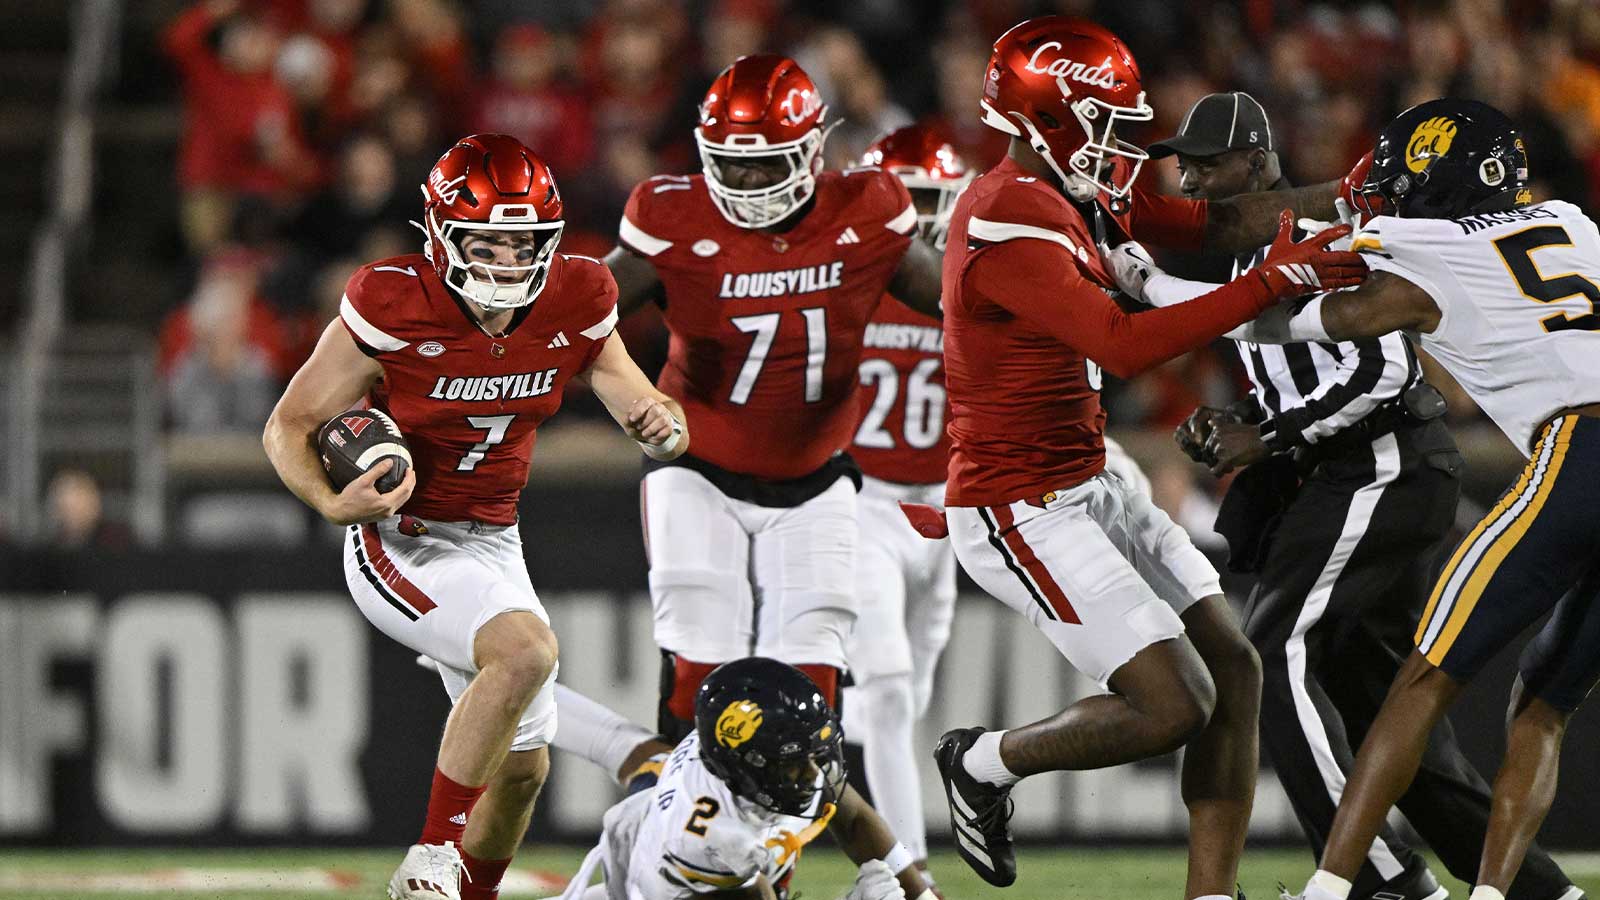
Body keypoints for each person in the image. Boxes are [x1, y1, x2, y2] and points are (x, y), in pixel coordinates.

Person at [930, 16, 1371, 895]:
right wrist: (1271, 281)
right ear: (1050, 118)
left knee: (1236, 669)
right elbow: (1124, 344)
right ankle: (985, 762)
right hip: (1016, 505)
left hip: (1090, 475)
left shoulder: (1072, 192)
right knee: (1176, 703)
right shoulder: (1005, 215)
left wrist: (1356, 194)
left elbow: (1217, 221)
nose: (1124, 150)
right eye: (1106, 125)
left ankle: (1211, 894)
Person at [1107, 92, 1580, 900]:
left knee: (1278, 650)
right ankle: (1535, 891)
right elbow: (1288, 354)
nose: (1189, 178)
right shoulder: (1570, 222)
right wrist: (1244, 421)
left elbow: (1381, 368)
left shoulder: (1353, 235)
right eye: (1183, 162)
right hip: (1358, 465)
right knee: (1383, 692)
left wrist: (1267, 428)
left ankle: (1374, 879)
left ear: (1258, 161)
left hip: (1387, 457)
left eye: (1208, 162)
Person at [263, 134, 689, 900]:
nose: (504, 260)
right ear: (439, 235)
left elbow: (625, 384)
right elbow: (288, 425)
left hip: (496, 536)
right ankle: (430, 856)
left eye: (522, 243)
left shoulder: (579, 294)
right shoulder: (393, 301)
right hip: (402, 538)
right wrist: (331, 501)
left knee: (524, 771)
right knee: (527, 653)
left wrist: (657, 418)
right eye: (486, 241)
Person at [1235, 99, 1597, 900]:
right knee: (1544, 705)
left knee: (1424, 679)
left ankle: (1334, 889)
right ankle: (1500, 894)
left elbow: (1299, 315)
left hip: (1583, 452)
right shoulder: (1572, 220)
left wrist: (1201, 302)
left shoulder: (1423, 242)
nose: (1387, 196)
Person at [603, 54, 944, 741]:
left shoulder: (868, 210)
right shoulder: (672, 217)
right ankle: (669, 836)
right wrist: (634, 396)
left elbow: (962, 302)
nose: (750, 181)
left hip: (817, 477)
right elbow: (577, 318)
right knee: (699, 667)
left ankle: (776, 846)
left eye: (768, 163)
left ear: (814, 149)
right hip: (696, 467)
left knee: (812, 690)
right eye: (732, 164)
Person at [839, 122, 970, 890]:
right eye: (904, 198)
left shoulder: (968, 276)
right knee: (888, 693)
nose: (918, 216)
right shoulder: (848, 279)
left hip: (944, 513)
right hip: (866, 505)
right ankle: (906, 869)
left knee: (904, 700)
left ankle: (813, 731)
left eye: (929, 198)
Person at [559, 658, 934, 900]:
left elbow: (852, 819)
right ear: (747, 765)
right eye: (794, 763)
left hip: (655, 825)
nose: (813, 773)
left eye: (812, 757)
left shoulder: (745, 752)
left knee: (638, 752)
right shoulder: (711, 838)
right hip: (662, 889)